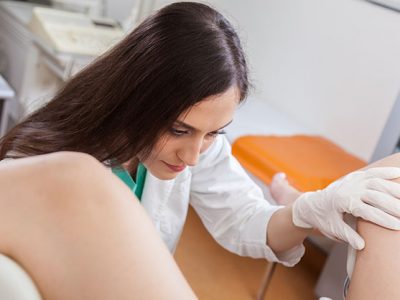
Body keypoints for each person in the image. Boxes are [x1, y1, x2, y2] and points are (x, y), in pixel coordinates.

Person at [1, 2, 400, 298]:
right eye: (179, 130)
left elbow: (243, 218)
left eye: (214, 133)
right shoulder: (45, 168)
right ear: (136, 99)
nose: (194, 156)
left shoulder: (198, 146)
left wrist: (304, 211)